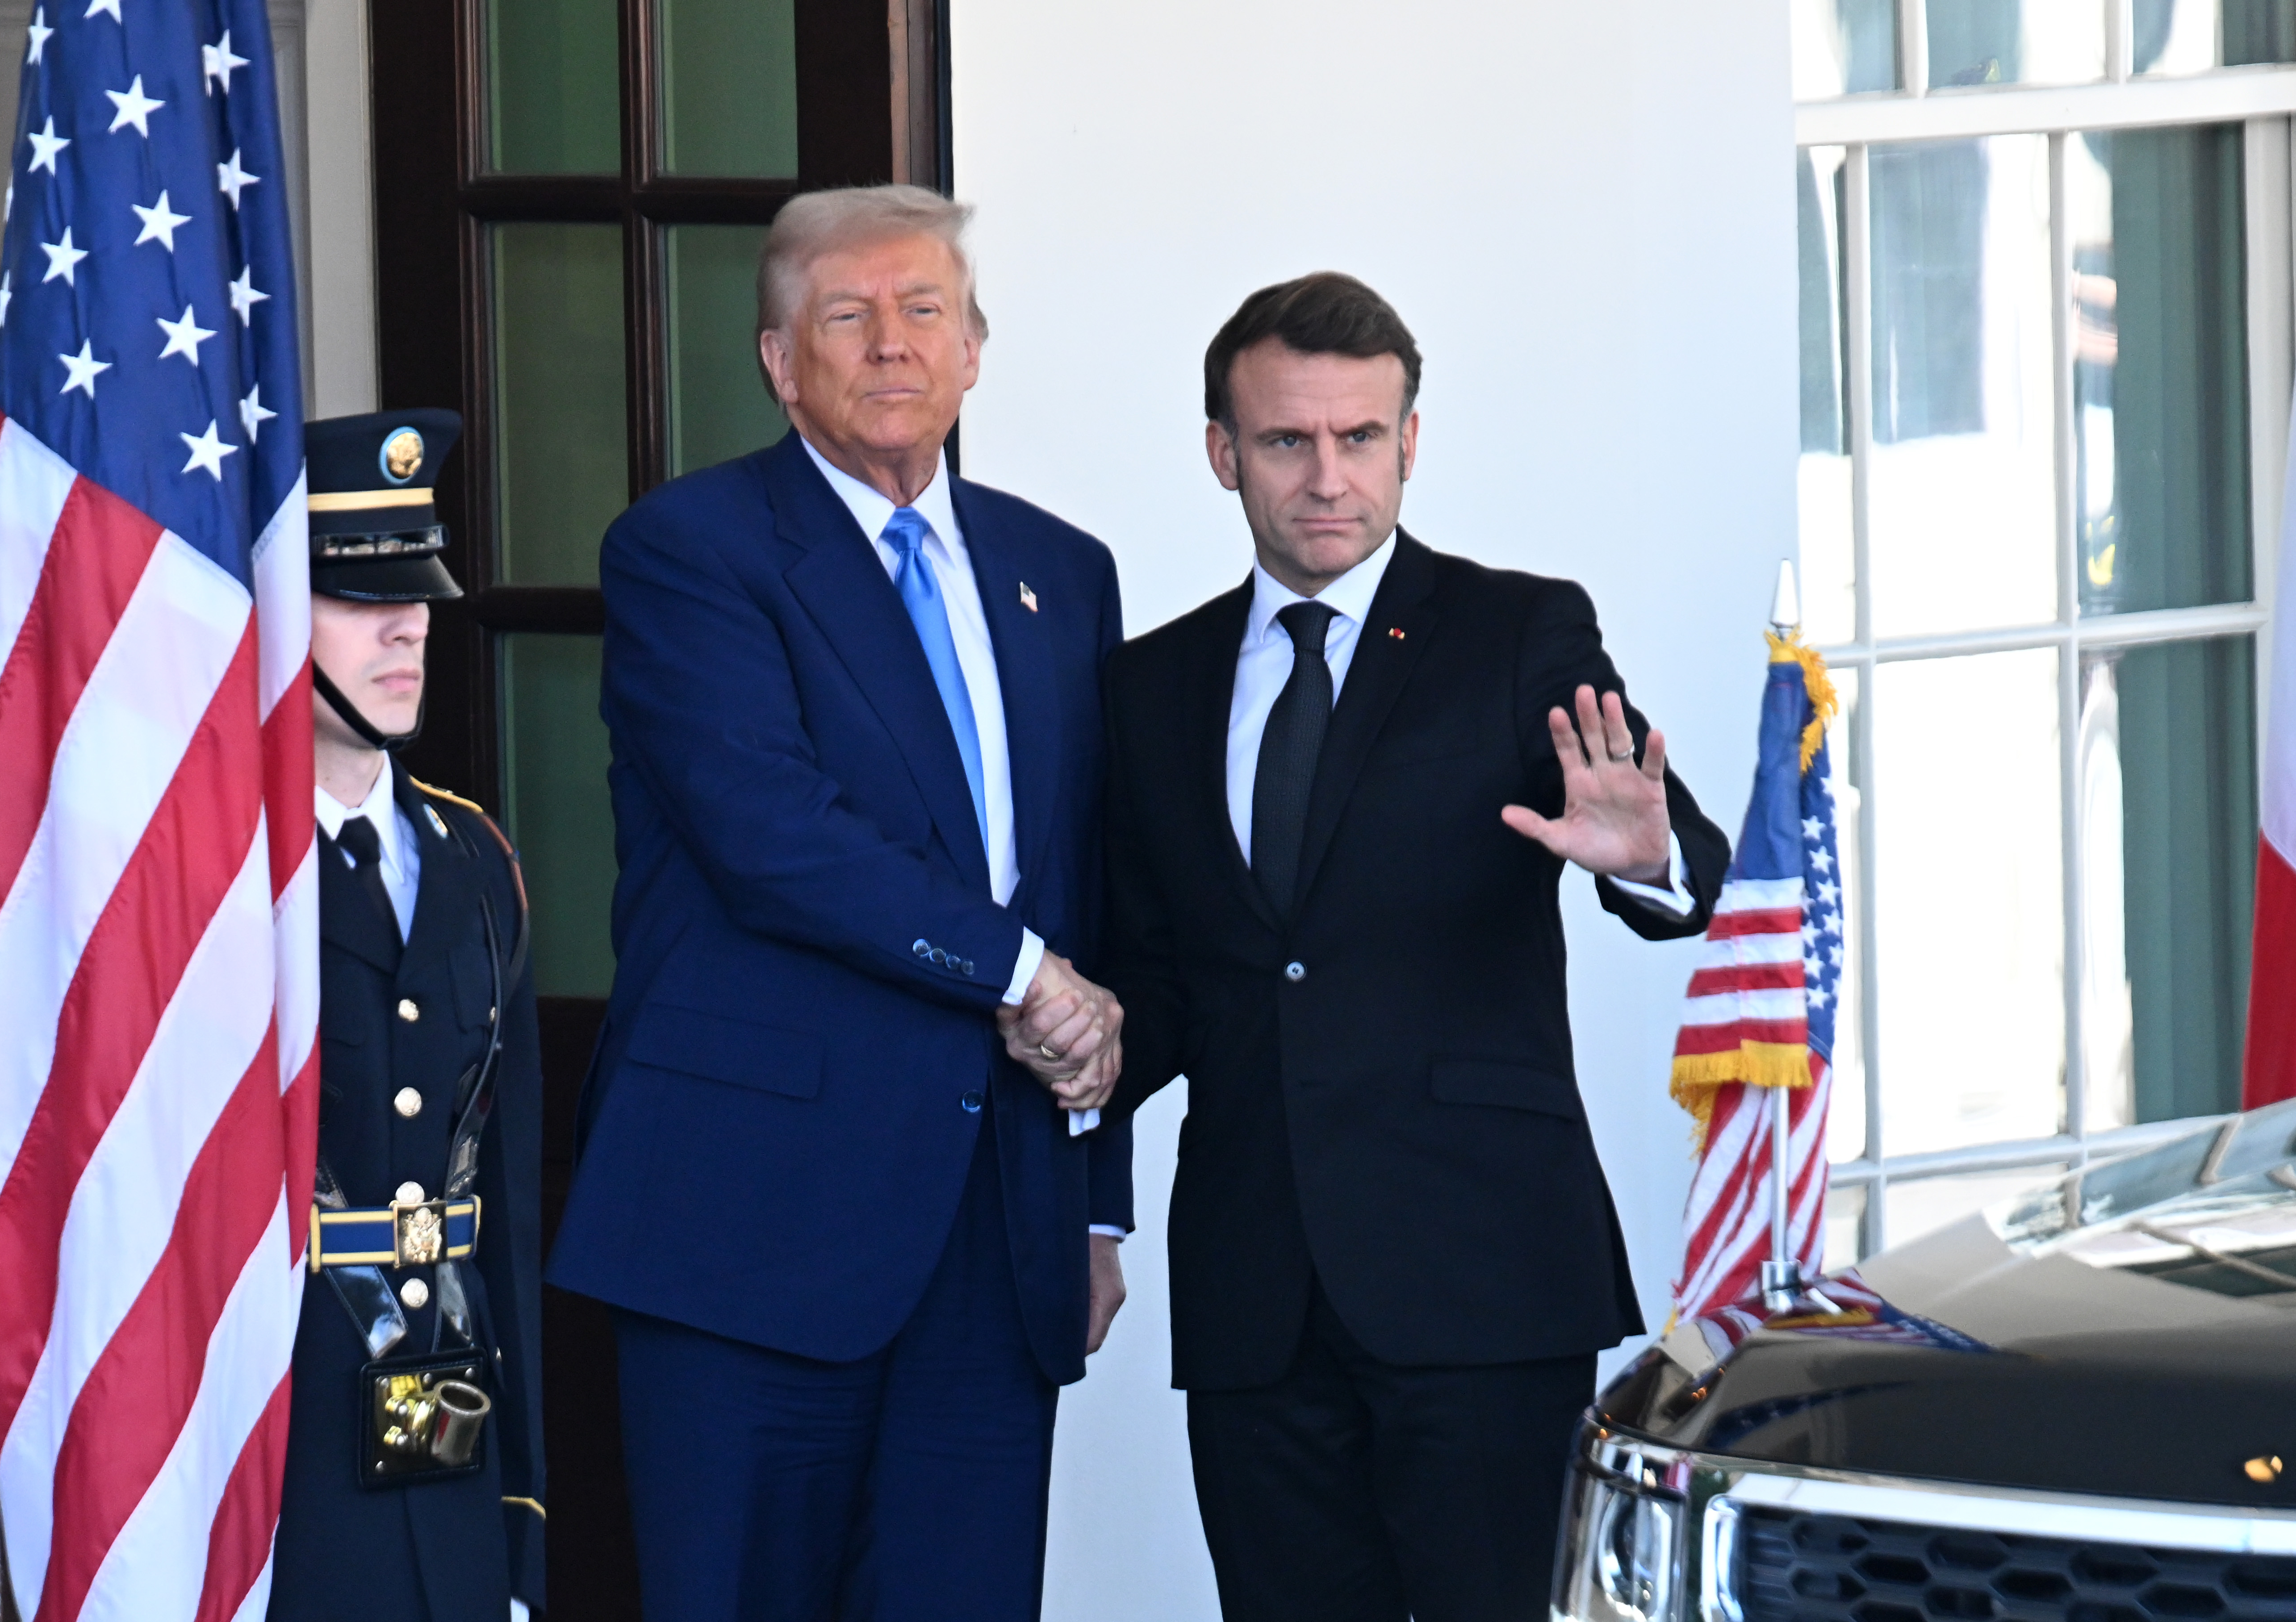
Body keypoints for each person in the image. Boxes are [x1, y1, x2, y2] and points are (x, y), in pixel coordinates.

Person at [1068, 273, 1731, 1621]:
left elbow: (1696, 865)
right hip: (1258, 1298)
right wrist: (1072, 1058)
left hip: (1481, 1280)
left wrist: (1649, 858)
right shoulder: (1151, 687)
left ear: (1411, 442)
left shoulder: (1518, 631)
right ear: (1222, 454)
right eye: (1286, 442)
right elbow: (1166, 989)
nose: (1327, 478)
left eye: (1360, 439)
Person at [544, 184, 1136, 1621]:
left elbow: (1086, 884)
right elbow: (775, 836)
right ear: (776, 360)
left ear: (976, 348)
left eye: (923, 310)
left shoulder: (1062, 572)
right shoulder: (690, 552)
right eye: (846, 317)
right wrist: (1020, 975)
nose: (890, 345)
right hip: (753, 1234)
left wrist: (1096, 1200)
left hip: (997, 1246)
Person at [270, 410, 546, 1622]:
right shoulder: (222, 872)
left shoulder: (476, 857)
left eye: (420, 592)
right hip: (280, 1439)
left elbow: (511, 1210)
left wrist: (524, 1501)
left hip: (450, 1432)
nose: (409, 624)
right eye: (358, 597)